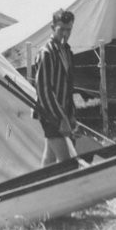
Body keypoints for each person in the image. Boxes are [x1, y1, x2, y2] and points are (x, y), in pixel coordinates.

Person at [34, 9, 77, 166]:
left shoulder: (66, 51)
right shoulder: (46, 53)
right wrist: (61, 118)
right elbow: (44, 90)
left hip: (62, 112)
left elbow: (68, 88)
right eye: (61, 29)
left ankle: (40, 182)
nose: (65, 34)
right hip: (49, 113)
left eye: (69, 30)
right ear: (53, 28)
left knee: (50, 158)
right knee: (66, 161)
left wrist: (71, 114)